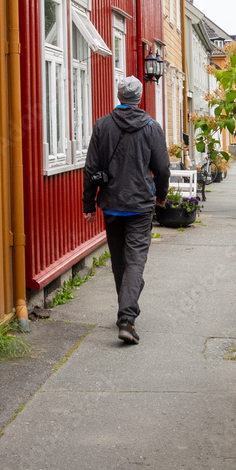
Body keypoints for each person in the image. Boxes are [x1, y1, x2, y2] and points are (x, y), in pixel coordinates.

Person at [83, 76, 170, 344]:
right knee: (135, 261)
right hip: (141, 204)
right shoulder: (152, 128)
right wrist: (162, 196)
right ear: (139, 98)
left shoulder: (102, 125)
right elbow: (163, 168)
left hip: (111, 204)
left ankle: (125, 310)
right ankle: (127, 318)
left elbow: (90, 169)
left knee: (119, 260)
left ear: (119, 97)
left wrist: (88, 204)